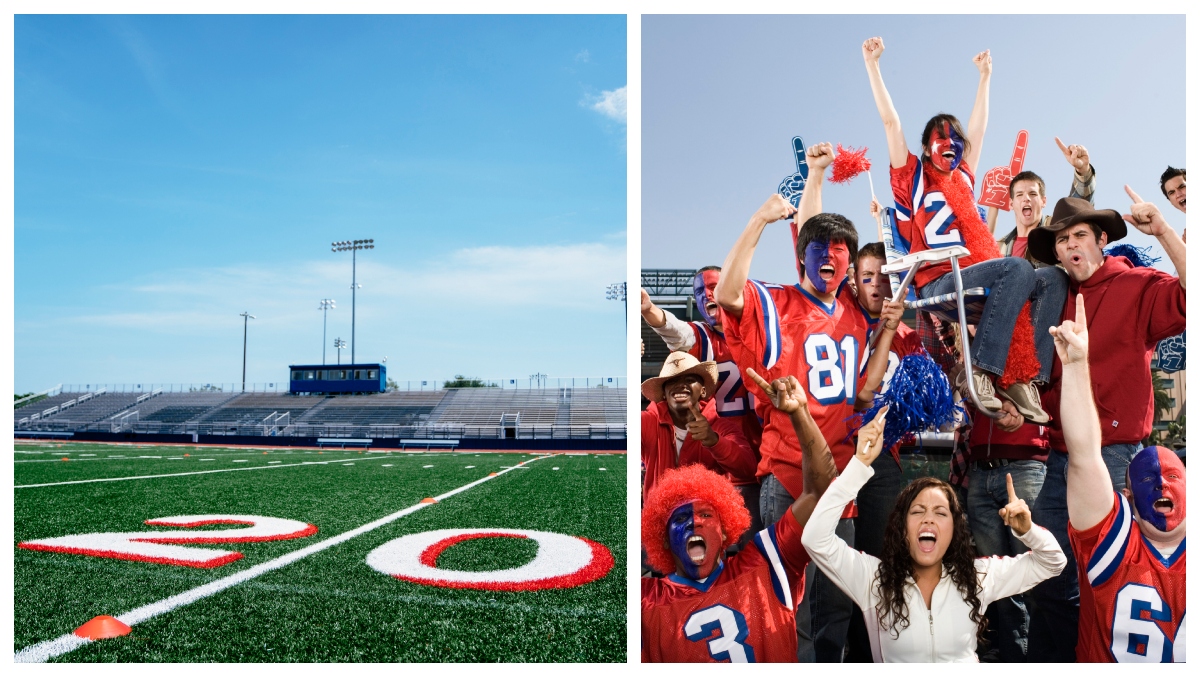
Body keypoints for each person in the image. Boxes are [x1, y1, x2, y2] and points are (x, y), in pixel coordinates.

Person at [715, 141, 871, 662]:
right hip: (789, 480)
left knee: (834, 614)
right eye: (818, 249)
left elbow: (815, 224)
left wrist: (818, 175)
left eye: (840, 250)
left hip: (844, 485)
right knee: (789, 610)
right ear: (799, 255)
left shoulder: (853, 307)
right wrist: (760, 219)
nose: (829, 256)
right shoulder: (777, 302)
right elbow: (727, 295)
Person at [863, 36, 1066, 423]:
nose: (951, 145)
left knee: (1052, 278)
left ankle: (1025, 378)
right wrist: (873, 66)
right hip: (936, 281)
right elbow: (891, 122)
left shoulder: (964, 179)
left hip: (970, 273)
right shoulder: (911, 177)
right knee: (1017, 267)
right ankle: (984, 369)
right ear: (925, 149)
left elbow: (980, 128)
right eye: (942, 139)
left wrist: (985, 77)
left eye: (956, 141)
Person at [1024, 187, 1186, 661]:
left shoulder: (1136, 284)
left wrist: (1164, 232)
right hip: (1057, 458)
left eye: (1078, 235)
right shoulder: (1051, 298)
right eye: (1059, 240)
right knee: (1052, 573)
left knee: (1110, 578)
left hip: (1116, 456)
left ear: (1100, 240)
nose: (1068, 245)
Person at [800, 405, 1066, 662]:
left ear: (954, 529)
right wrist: (859, 465)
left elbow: (1053, 561)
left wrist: (1028, 531)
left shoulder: (979, 576)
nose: (928, 518)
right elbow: (815, 539)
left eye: (940, 512)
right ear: (901, 527)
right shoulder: (873, 580)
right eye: (917, 512)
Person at [641, 371, 837, 662]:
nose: (695, 522)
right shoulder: (646, 600)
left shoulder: (766, 564)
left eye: (706, 514)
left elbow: (820, 492)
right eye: (680, 520)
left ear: (724, 530)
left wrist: (800, 415)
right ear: (663, 540)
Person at [1050, 295, 1186, 662]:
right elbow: (1084, 457)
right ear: (1126, 495)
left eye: (1174, 475)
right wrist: (1077, 366)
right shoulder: (1113, 542)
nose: (1162, 484)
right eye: (1148, 479)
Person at [641, 270, 764, 543]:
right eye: (699, 292)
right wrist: (650, 311)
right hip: (725, 471)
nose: (707, 294)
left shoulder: (762, 333)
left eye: (714, 287)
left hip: (765, 461)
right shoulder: (703, 338)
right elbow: (678, 332)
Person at [641, 351, 757, 503]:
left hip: (705, 519)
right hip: (659, 520)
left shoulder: (721, 427)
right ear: (664, 393)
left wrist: (714, 441)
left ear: (703, 391)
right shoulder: (647, 422)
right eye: (673, 380)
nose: (681, 385)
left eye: (689, 380)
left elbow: (748, 469)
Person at [991, 137, 1097, 264]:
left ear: (1043, 201)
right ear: (1011, 204)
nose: (1026, 198)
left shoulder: (1056, 229)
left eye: (1032, 193)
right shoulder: (998, 247)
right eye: (1019, 194)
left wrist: (1083, 171)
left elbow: (1078, 209)